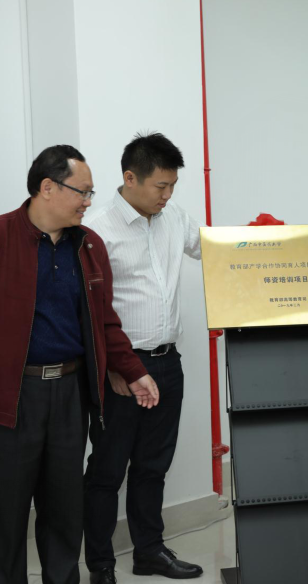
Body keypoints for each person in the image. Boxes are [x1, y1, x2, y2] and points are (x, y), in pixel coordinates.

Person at [0, 145, 158, 584]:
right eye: (82, 191)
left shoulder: (89, 246)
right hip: (11, 396)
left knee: (63, 510)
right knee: (5, 512)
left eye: (91, 193)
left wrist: (134, 370)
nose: (88, 202)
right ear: (47, 187)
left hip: (70, 394)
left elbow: (104, 322)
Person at [83, 133, 204, 583]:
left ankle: (149, 551)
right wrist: (116, 366)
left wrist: (267, 243)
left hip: (167, 363)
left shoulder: (174, 217)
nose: (167, 195)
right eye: (160, 186)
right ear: (130, 178)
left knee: (153, 466)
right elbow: (88, 311)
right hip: (120, 369)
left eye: (172, 186)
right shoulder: (96, 228)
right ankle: (101, 565)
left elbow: (213, 248)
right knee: (107, 471)